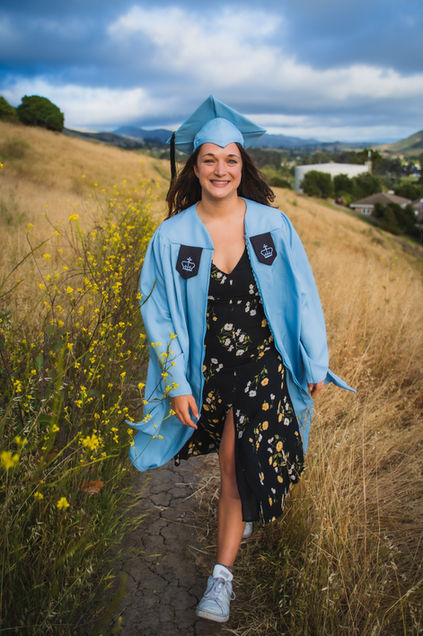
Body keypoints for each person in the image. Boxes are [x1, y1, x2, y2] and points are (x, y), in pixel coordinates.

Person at [128, 96, 354, 623]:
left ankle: (220, 578)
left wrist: (314, 359)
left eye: (230, 159)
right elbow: (157, 314)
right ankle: (244, 510)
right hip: (208, 368)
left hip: (262, 364)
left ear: (242, 165)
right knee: (238, 464)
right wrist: (177, 382)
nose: (220, 169)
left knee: (233, 463)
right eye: (209, 159)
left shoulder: (272, 224)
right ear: (195, 167)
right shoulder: (172, 237)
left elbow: (303, 294)